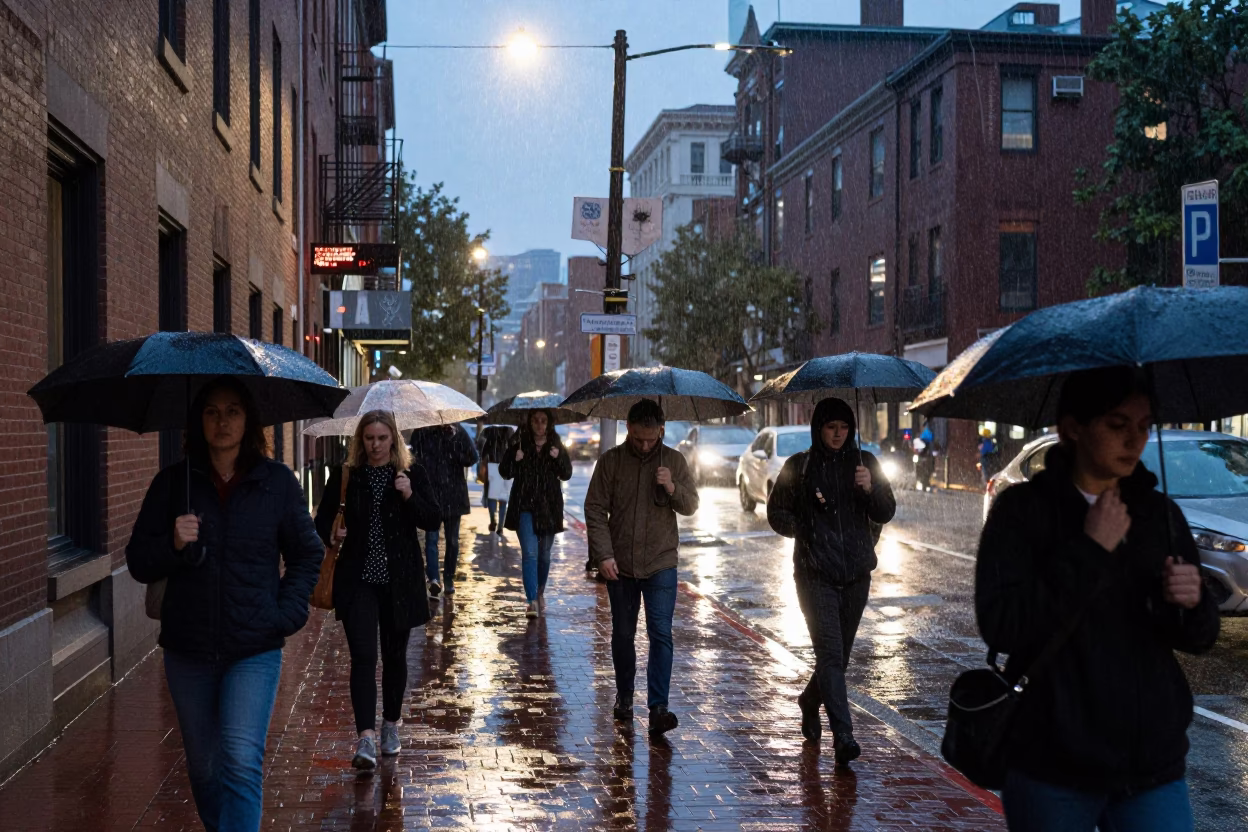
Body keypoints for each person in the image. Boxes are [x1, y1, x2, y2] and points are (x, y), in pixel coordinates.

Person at [977, 366, 1219, 832]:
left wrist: (1193, 604)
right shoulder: (1022, 512)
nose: (1135, 440)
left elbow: (1199, 637)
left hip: (1151, 766)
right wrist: (1089, 550)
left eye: (1144, 426)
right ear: (1072, 429)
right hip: (1051, 764)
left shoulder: (1157, 514)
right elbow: (1002, 623)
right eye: (1117, 424)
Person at [126, 377, 323, 832]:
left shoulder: (276, 483)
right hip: (188, 648)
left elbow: (306, 553)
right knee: (204, 768)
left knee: (239, 760)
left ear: (248, 419)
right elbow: (138, 560)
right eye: (212, 411)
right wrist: (173, 544)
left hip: (254, 647)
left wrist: (287, 612)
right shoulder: (174, 483)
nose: (222, 421)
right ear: (199, 420)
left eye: (232, 410)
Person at [766, 397, 896, 765]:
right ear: (818, 429)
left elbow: (886, 511)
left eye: (843, 428)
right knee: (830, 655)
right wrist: (804, 528)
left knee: (839, 658)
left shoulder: (865, 463)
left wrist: (870, 488)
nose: (838, 435)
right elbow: (776, 514)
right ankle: (844, 735)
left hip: (856, 575)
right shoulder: (800, 467)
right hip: (814, 574)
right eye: (830, 427)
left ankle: (810, 700)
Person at [314, 410, 441, 770]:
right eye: (369, 438)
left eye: (382, 438)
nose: (375, 445)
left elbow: (432, 519)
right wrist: (332, 533)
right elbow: (322, 519)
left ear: (394, 440)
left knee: (395, 658)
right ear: (360, 440)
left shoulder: (410, 473)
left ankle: (391, 725)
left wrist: (410, 495)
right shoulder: (346, 475)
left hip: (399, 582)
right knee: (364, 658)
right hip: (358, 583)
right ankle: (365, 737)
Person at [585, 399, 698, 737]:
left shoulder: (674, 461)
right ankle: (624, 695)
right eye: (639, 438)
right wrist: (603, 555)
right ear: (629, 429)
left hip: (662, 561)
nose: (646, 445)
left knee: (661, 632)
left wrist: (672, 487)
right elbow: (594, 509)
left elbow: (691, 504)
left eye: (652, 439)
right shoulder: (612, 462)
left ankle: (658, 706)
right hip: (620, 565)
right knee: (622, 634)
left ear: (661, 430)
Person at [499, 410, 574, 617]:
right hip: (524, 506)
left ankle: (540, 589)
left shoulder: (556, 446)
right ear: (530, 423)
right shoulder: (520, 445)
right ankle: (531, 599)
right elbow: (505, 472)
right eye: (535, 421)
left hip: (549, 508)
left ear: (549, 424)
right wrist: (515, 459)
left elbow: (566, 474)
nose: (539, 425)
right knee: (530, 553)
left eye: (543, 421)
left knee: (544, 555)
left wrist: (558, 458)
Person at [409, 423, 479, 599]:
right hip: (431, 494)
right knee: (431, 539)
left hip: (453, 495)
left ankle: (448, 578)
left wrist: (453, 443)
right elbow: (413, 458)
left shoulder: (458, 432)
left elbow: (472, 457)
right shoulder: (421, 432)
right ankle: (434, 579)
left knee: (452, 541)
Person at [479, 425, 515, 537]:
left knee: (492, 496)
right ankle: (500, 526)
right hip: (506, 469)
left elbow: (483, 455)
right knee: (503, 499)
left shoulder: (490, 437)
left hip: (493, 468)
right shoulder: (510, 436)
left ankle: (492, 520)